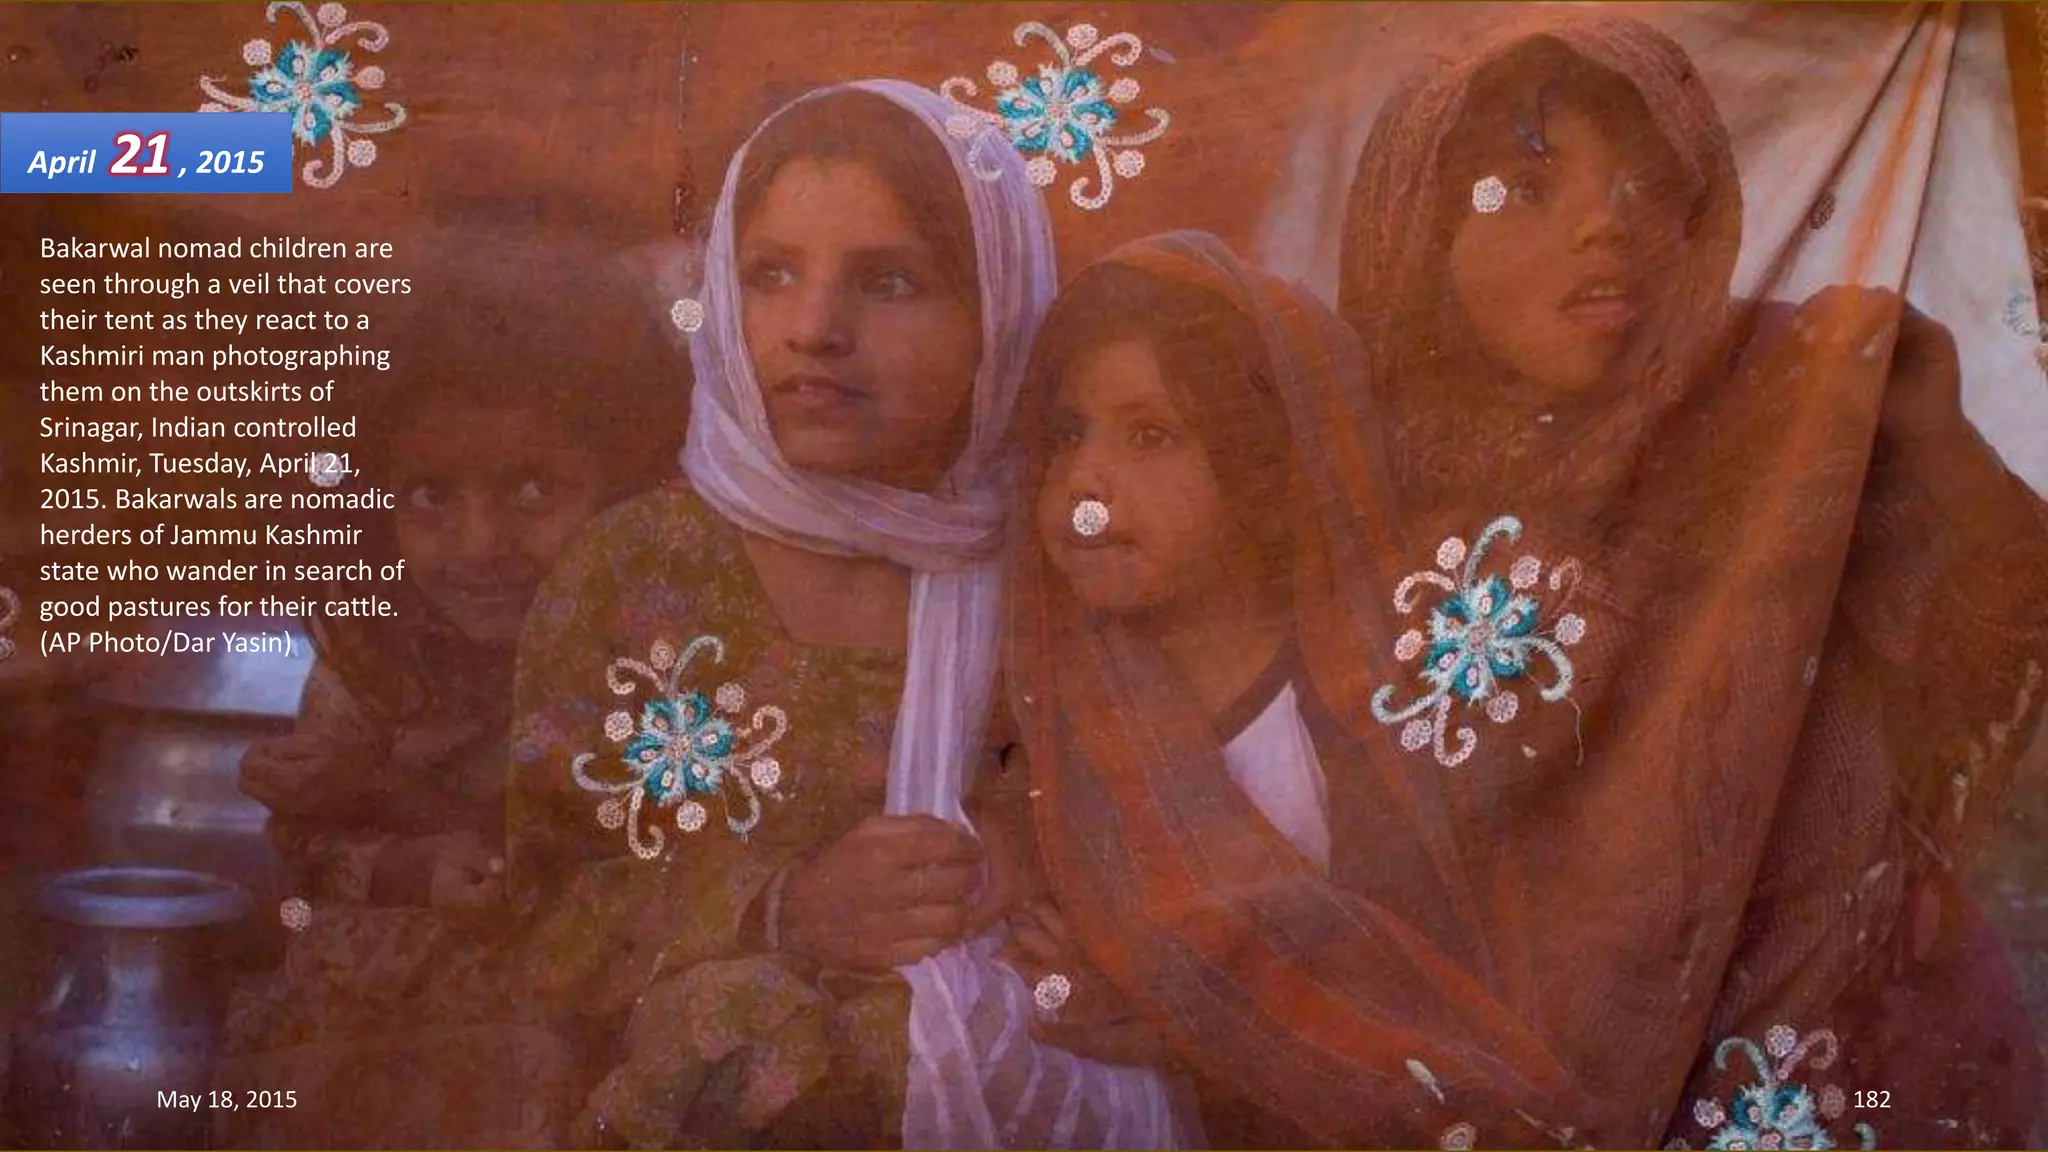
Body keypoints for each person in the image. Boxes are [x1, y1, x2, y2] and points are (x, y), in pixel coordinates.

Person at [1337, 10, 2048, 1147]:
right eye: (1525, 190)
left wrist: (1940, 443)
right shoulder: (1343, 484)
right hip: (1502, 1080)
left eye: (1641, 185)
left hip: (1851, 1071)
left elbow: (1987, 646)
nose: (1604, 227)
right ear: (1414, 236)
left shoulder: (1791, 404)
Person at [503, 81, 1196, 1150]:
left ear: (997, 312)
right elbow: (534, 902)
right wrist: (783, 910)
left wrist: (1071, 907)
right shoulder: (638, 572)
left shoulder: (1069, 564)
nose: (814, 329)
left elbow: (1200, 842)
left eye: (888, 281)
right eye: (769, 274)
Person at [1005, 230, 1592, 1150]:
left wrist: (1198, 1029)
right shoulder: (1060, 724)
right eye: (1065, 435)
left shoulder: (1397, 708)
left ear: (1264, 468)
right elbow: (1046, 977)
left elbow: (1442, 999)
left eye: (1152, 435)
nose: (1084, 483)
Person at [212, 240, 681, 1149]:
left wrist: (384, 792)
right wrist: (412, 867)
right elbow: (313, 847)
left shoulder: (653, 646)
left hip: (579, 1008)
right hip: (374, 1028)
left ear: (625, 478)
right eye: (431, 495)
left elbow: (598, 842)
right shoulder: (379, 648)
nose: (479, 544)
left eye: (535, 490)